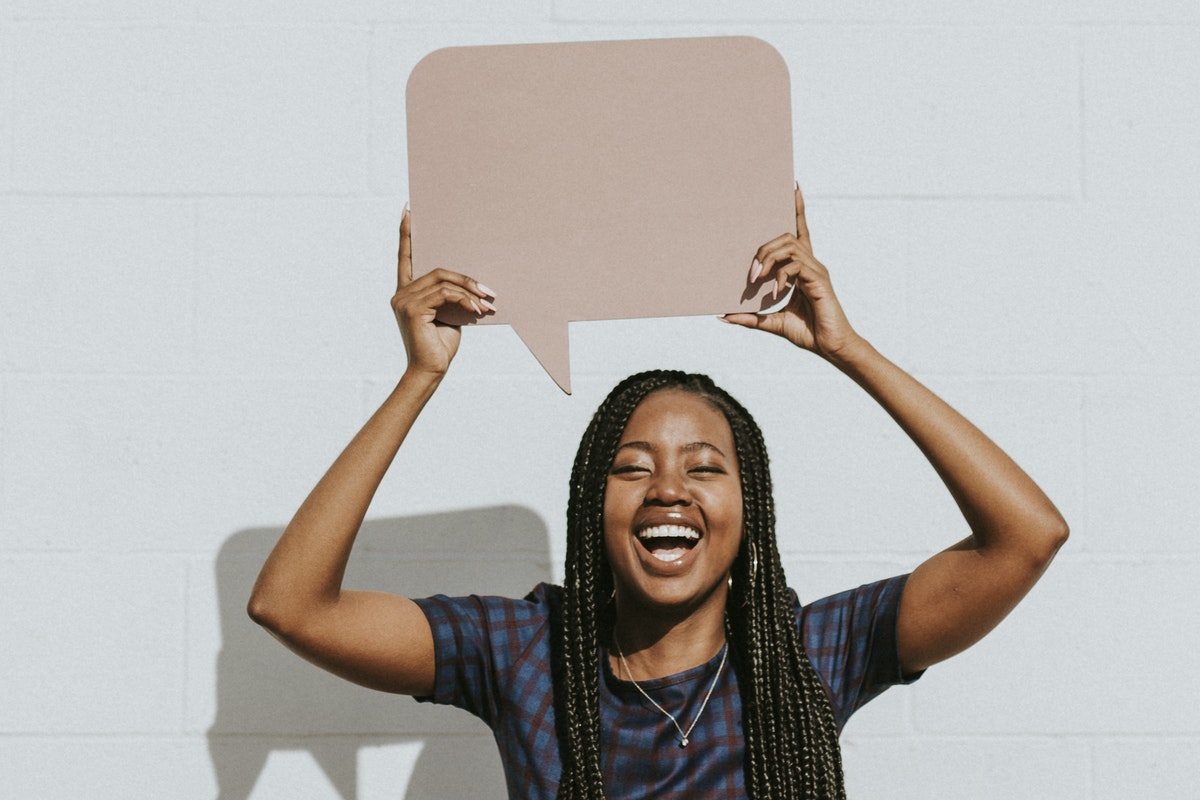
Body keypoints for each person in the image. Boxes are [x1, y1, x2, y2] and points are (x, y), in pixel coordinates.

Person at [248, 186, 1068, 799]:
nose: (667, 490)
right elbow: (292, 606)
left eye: (704, 467)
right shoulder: (526, 651)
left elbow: (1027, 536)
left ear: (751, 512)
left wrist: (848, 349)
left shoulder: (810, 652)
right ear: (590, 506)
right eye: (633, 467)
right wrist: (419, 378)